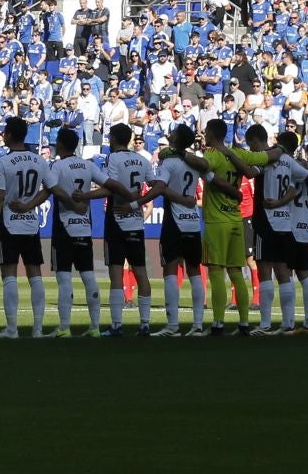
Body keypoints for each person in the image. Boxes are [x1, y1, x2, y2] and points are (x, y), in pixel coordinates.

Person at [250, 127, 308, 335]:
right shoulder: (297, 166)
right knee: (297, 273)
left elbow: (250, 171)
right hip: (298, 223)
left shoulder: (272, 160)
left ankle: (267, 324)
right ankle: (297, 322)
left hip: (278, 221)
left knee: (268, 270)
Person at [0, 115, 49, 339]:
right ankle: (38, 328)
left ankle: (12, 329)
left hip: (9, 223)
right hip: (31, 222)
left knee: (9, 274)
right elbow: (49, 189)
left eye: (4, 132)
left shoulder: (4, 162)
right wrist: (30, 205)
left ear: (9, 135)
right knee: (35, 274)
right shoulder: (38, 160)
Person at [199, 118, 266, 335]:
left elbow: (201, 166)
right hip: (236, 219)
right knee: (236, 271)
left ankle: (218, 323)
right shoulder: (240, 155)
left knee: (216, 272)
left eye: (206, 131)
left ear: (211, 133)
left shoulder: (212, 156)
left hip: (216, 222)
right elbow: (264, 157)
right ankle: (244, 323)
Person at [38, 126, 103, 337]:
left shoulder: (57, 166)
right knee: (89, 277)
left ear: (60, 144)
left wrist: (73, 204)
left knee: (64, 278)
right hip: (84, 227)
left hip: (64, 228)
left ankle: (64, 327)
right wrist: (86, 198)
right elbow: (109, 186)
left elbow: (51, 189)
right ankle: (95, 327)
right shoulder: (88, 165)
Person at [144, 124, 206, 336]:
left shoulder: (169, 162)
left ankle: (173, 326)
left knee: (170, 269)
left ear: (176, 139)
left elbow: (159, 188)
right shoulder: (195, 163)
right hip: (192, 222)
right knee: (194, 270)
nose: (169, 135)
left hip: (174, 221)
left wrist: (137, 203)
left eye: (172, 133)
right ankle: (198, 325)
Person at [98, 122, 154, 336]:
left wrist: (87, 195)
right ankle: (145, 324)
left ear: (113, 139)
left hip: (116, 218)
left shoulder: (113, 158)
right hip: (135, 220)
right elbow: (158, 186)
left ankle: (116, 325)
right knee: (141, 271)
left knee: (115, 272)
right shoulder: (142, 160)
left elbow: (111, 185)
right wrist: (137, 202)